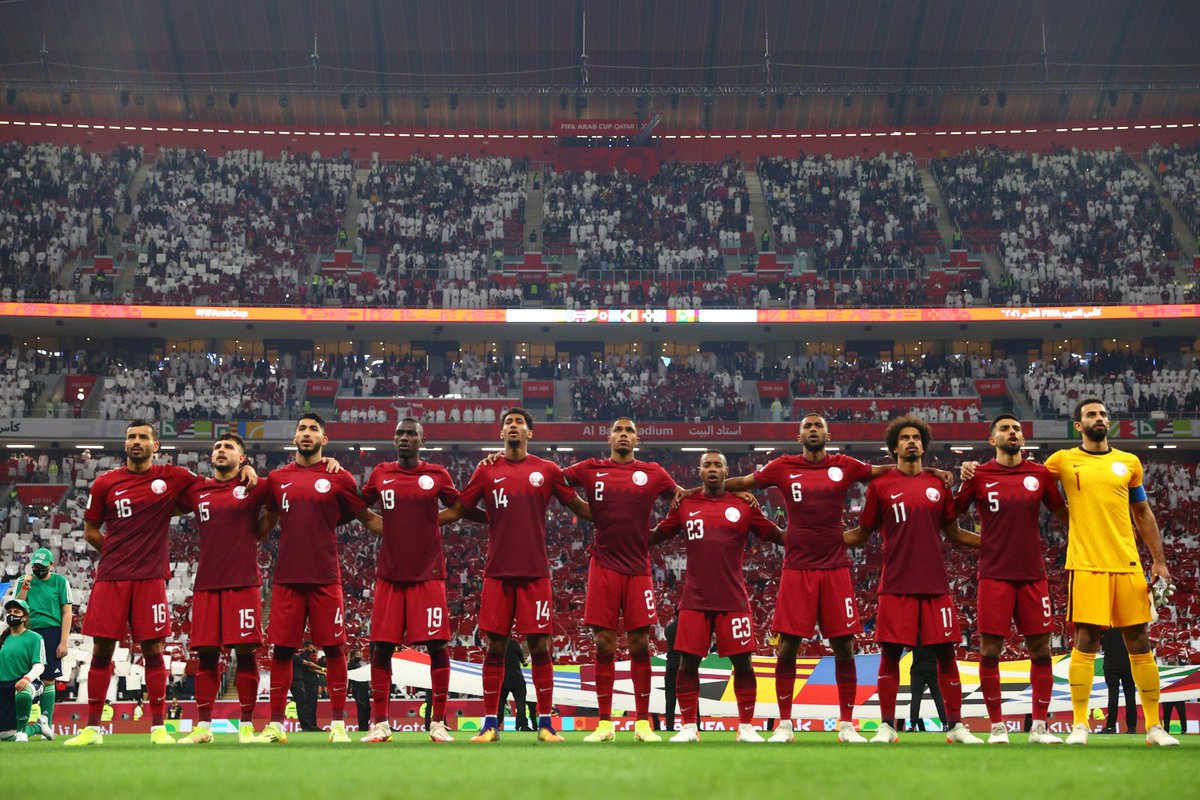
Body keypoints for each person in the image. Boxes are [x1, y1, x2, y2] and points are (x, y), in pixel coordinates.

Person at [722, 414, 950, 743]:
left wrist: (929, 472)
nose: (813, 430)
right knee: (787, 647)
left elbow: (888, 470)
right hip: (797, 567)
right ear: (799, 436)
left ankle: (846, 725)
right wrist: (717, 493)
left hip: (835, 568)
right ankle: (784, 725)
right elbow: (740, 482)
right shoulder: (781, 467)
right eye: (807, 427)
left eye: (818, 426)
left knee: (845, 646)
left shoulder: (844, 465)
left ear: (828, 434)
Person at [65, 419, 257, 747]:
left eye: (143, 437)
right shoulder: (105, 483)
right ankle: (92, 729)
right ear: (125, 444)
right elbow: (90, 530)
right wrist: (116, 553)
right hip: (111, 577)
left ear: (156, 446)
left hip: (151, 578)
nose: (136, 441)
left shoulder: (173, 477)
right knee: (101, 649)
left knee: (153, 650)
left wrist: (247, 473)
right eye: (131, 437)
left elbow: (215, 485)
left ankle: (157, 728)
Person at [438, 407, 593, 743]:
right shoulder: (486, 470)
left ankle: (547, 725)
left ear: (529, 433)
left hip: (535, 572)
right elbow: (459, 509)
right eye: (508, 422)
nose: (513, 426)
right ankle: (490, 724)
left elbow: (578, 506)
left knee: (540, 646)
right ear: (501, 433)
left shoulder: (547, 470)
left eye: (519, 422)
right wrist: (420, 521)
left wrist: (619, 518)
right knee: (494, 647)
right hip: (497, 573)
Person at [1042, 399, 1178, 747]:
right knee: (1086, 639)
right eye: (1091, 414)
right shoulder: (1062, 460)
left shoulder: (1128, 463)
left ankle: (1154, 727)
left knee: (1139, 641)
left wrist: (1159, 562)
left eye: (1103, 414)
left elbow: (1143, 513)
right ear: (1078, 425)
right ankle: (1078, 725)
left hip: (1127, 563)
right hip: (1086, 563)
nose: (1099, 418)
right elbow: (1029, 480)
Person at [844, 415, 983, 744]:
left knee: (947, 656)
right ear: (894, 447)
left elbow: (954, 532)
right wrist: (823, 539)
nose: (911, 442)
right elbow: (862, 533)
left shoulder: (939, 485)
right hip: (895, 585)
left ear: (923, 445)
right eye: (904, 438)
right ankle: (888, 727)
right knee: (890, 655)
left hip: (936, 586)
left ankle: (956, 727)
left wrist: (992, 544)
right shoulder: (880, 486)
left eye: (916, 438)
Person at [256, 413, 383, 744]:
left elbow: (367, 518)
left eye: (313, 429)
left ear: (324, 440)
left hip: (326, 578)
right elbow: (266, 521)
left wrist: (414, 527)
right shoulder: (277, 478)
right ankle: (276, 725)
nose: (307, 433)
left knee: (335, 650)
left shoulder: (338, 477)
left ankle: (339, 724)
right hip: (286, 580)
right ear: (294, 438)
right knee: (282, 652)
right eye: (302, 428)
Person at [176, 433, 307, 745]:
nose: (222, 450)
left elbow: (275, 505)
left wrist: (257, 531)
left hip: (243, 584)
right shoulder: (197, 488)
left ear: (242, 457)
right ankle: (203, 727)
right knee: (206, 657)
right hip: (207, 584)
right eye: (218, 447)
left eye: (229, 447)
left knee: (246, 655)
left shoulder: (256, 485)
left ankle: (246, 726)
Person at [358, 418, 481, 743]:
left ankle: (438, 723)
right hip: (390, 575)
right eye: (400, 433)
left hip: (428, 575)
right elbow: (360, 508)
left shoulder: (437, 474)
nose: (405, 438)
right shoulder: (380, 473)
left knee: (438, 646)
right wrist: (384, 526)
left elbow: (457, 509)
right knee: (381, 648)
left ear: (422, 441)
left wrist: (426, 523)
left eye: (411, 433)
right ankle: (380, 724)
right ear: (394, 438)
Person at [650, 449, 785, 744]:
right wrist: (621, 534)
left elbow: (775, 534)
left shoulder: (744, 503)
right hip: (695, 600)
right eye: (706, 464)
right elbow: (658, 534)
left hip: (733, 599)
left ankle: (746, 726)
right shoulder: (685, 503)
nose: (712, 468)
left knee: (744, 664)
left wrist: (811, 539)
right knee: (688, 663)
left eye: (718, 465)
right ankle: (688, 727)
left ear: (727, 471)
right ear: (699, 471)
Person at [562, 418, 682, 743]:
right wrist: (582, 508)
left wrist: (659, 534)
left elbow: (683, 501)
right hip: (603, 566)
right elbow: (552, 481)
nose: (624, 435)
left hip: (638, 568)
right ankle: (604, 723)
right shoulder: (591, 468)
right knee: (604, 643)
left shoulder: (653, 472)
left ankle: (643, 723)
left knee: (640, 642)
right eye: (619, 430)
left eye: (629, 431)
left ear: (637, 439)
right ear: (610, 437)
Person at [954, 414, 1068, 744]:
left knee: (1041, 650)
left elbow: (1063, 514)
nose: (1012, 432)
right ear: (993, 440)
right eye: (1004, 429)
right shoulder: (979, 475)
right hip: (994, 575)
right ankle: (997, 726)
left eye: (1016, 428)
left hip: (1033, 575)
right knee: (990, 649)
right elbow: (950, 514)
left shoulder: (1039, 474)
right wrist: (962, 478)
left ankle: (1039, 728)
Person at [11, 548, 72, 733]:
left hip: (52, 631)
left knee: (49, 679)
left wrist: (64, 641)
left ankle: (47, 723)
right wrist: (25, 587)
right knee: (23, 676)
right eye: (35, 566)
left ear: (51, 565)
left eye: (42, 566)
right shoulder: (24, 580)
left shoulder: (60, 581)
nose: (38, 569)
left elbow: (67, 612)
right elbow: (17, 607)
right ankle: (21, 723)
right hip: (27, 632)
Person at [0, 599, 53, 742]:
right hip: (3, 688)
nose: (12, 614)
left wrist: (26, 679)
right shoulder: (2, 638)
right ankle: (38, 727)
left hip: (29, 684)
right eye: (9, 612)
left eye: (16, 612)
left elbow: (40, 665)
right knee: (6, 736)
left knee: (22, 692)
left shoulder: (35, 638)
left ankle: (23, 732)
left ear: (25, 617)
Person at [1101, 628, 1137, 733]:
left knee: (1113, 695)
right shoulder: (1127, 624)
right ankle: (1131, 727)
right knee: (1130, 696)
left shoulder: (1105, 626)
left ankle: (1110, 726)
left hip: (1110, 664)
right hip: (1128, 664)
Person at [907, 642, 946, 732]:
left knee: (916, 698)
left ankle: (912, 726)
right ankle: (945, 724)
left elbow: (907, 648)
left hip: (917, 669)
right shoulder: (934, 631)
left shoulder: (915, 632)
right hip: (933, 668)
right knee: (938, 697)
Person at [496, 637, 531, 732]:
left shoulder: (497, 644)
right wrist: (524, 662)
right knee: (520, 704)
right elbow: (523, 661)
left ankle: (495, 725)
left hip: (502, 678)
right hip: (516, 678)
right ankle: (522, 725)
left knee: (499, 704)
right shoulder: (514, 643)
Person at [291, 643, 322, 731]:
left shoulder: (298, 656)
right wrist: (323, 670)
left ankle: (311, 726)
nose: (312, 649)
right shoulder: (298, 656)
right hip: (303, 682)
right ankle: (308, 726)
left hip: (302, 682)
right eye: (311, 647)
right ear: (305, 647)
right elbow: (309, 666)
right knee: (304, 705)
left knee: (305, 705)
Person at [346, 646, 372, 732]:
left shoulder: (359, 664)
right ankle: (362, 727)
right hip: (358, 690)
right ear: (353, 656)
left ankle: (365, 726)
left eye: (360, 654)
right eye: (358, 654)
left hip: (364, 689)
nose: (360, 656)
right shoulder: (351, 665)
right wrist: (348, 691)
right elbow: (350, 679)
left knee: (367, 708)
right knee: (362, 709)